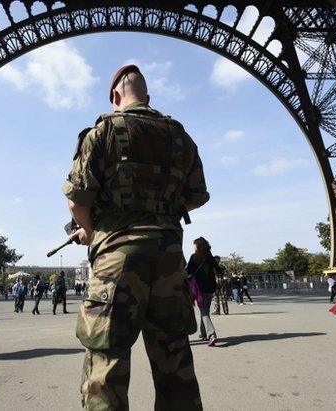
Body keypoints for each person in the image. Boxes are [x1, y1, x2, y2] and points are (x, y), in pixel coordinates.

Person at [63, 64, 208, 410]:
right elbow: (198, 195)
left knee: (106, 363)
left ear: (115, 96)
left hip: (117, 259)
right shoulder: (179, 136)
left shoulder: (103, 132)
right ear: (147, 96)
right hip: (170, 259)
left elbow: (76, 197)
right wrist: (163, 208)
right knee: (175, 364)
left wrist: (91, 229)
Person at [187, 238, 221, 346]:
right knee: (205, 310)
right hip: (210, 288)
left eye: (194, 245)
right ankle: (204, 334)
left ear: (197, 246)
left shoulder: (194, 257)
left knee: (204, 312)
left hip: (199, 289)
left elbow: (188, 271)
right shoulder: (210, 257)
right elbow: (219, 270)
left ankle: (212, 334)